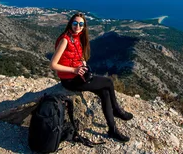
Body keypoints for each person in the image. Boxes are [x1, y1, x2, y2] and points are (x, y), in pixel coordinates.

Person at [50, 12, 133, 142]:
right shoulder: (65, 40)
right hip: (70, 80)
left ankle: (112, 130)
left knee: (105, 93)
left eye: (81, 24)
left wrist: (82, 62)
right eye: (75, 23)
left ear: (84, 26)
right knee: (109, 82)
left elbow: (75, 55)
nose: (78, 26)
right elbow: (53, 64)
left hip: (78, 76)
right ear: (70, 23)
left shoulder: (77, 37)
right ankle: (117, 110)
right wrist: (74, 69)